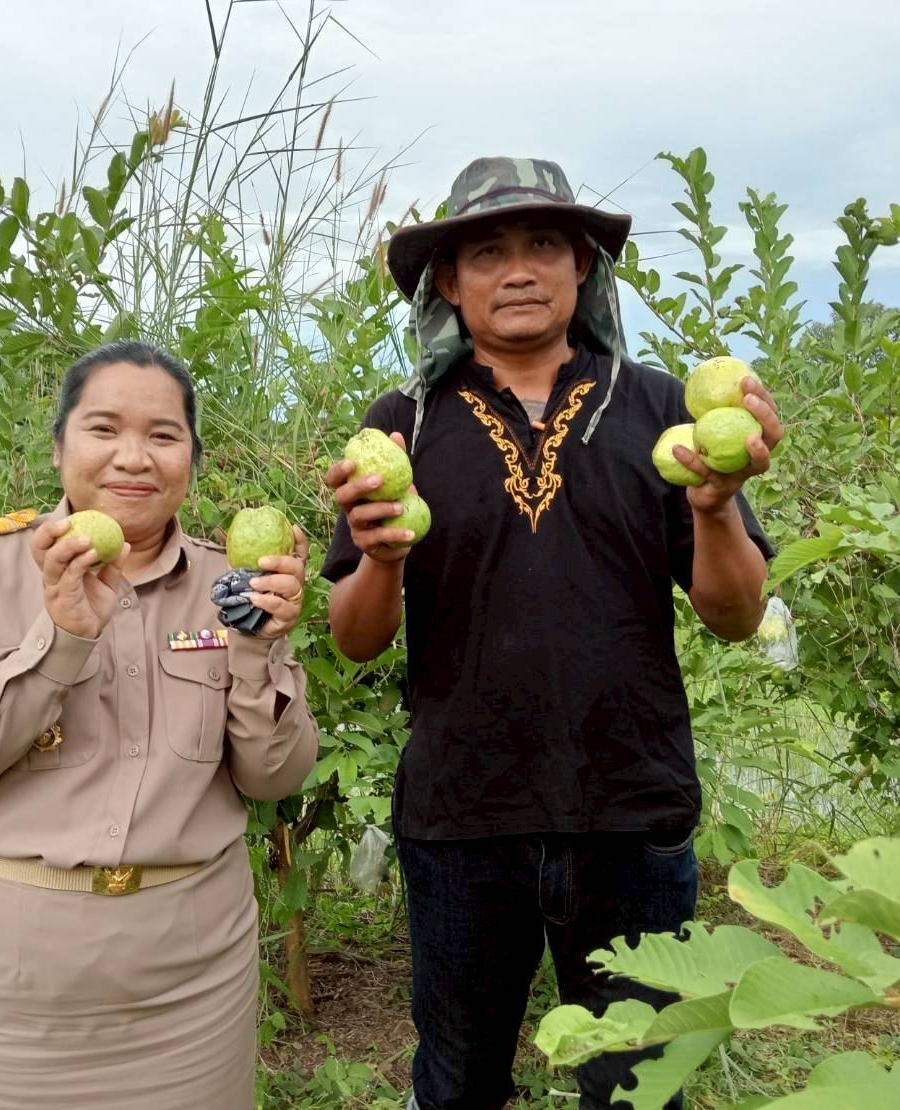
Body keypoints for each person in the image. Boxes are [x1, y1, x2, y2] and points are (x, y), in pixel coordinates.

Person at [320, 158, 782, 1110]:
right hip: (461, 818)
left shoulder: (662, 408)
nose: (517, 270)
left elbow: (733, 615)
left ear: (583, 268)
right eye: (487, 251)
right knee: (456, 1080)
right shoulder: (402, 423)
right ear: (448, 282)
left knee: (640, 1083)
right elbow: (355, 639)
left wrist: (716, 504)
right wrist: (384, 557)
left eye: (542, 246)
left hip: (632, 809)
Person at [0, 339, 320, 1109]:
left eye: (163, 435)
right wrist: (57, 644)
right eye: (103, 429)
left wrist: (259, 651)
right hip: (5, 990)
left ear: (191, 458)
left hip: (191, 983)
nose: (134, 457)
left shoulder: (233, 587)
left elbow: (274, 778)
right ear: (58, 449)